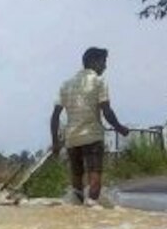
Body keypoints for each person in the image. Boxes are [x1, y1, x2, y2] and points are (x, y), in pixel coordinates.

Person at [50, 46, 130, 207]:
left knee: (77, 177)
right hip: (92, 137)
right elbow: (106, 111)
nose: (105, 66)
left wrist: (55, 143)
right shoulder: (99, 82)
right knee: (95, 175)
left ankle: (79, 212)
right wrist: (120, 128)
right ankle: (93, 209)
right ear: (94, 62)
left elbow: (55, 116)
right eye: (104, 62)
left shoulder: (66, 85)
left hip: (72, 139)